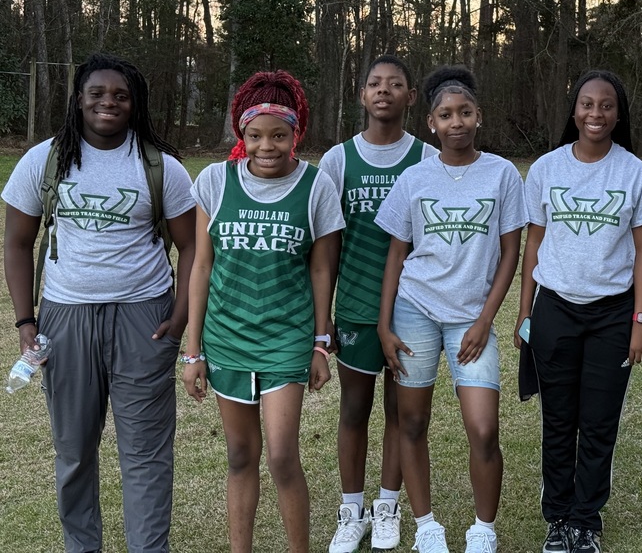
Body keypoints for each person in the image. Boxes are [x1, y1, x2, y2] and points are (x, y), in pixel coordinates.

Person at [2, 53, 196, 553]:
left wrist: (180, 312)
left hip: (144, 317)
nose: (108, 102)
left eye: (120, 95)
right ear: (79, 99)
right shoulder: (43, 160)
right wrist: (26, 319)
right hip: (65, 317)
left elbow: (194, 244)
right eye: (97, 93)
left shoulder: (162, 167)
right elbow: (17, 244)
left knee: (146, 454)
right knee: (73, 453)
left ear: (135, 105)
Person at [182, 70, 344, 553]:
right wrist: (194, 352)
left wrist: (320, 343)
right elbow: (201, 267)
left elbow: (321, 272)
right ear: (241, 135)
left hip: (285, 339)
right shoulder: (214, 180)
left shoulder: (315, 186)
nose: (266, 146)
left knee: (281, 457)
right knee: (239, 456)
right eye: (255, 136)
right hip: (227, 339)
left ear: (296, 134)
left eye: (279, 135)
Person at [376, 66, 526, 553]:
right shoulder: (414, 177)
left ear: (478, 116)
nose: (456, 121)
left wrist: (485, 321)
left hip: (470, 318)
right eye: (446, 114)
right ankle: (426, 527)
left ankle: (484, 530)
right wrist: (384, 324)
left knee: (483, 427)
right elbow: (397, 254)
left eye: (464, 112)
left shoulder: (502, 173)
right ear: (431, 123)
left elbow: (510, 253)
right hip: (414, 310)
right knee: (411, 422)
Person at [515, 70, 642, 553]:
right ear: (574, 110)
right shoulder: (546, 169)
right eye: (587, 105)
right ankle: (557, 518)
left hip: (612, 315)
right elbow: (533, 244)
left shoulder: (635, 173)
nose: (596, 114)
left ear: (619, 114)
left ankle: (586, 521)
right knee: (557, 421)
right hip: (554, 308)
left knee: (598, 424)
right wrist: (524, 313)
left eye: (607, 106)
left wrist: (641, 320)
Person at [319, 55, 438, 552]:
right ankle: (352, 511)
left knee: (401, 413)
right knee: (354, 408)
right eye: (374, 84)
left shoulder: (428, 159)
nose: (383, 91)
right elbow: (325, 247)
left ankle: (387, 505)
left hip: (411, 306)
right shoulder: (338, 159)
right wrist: (322, 316)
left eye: (395, 85)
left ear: (412, 97)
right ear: (362, 95)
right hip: (355, 306)